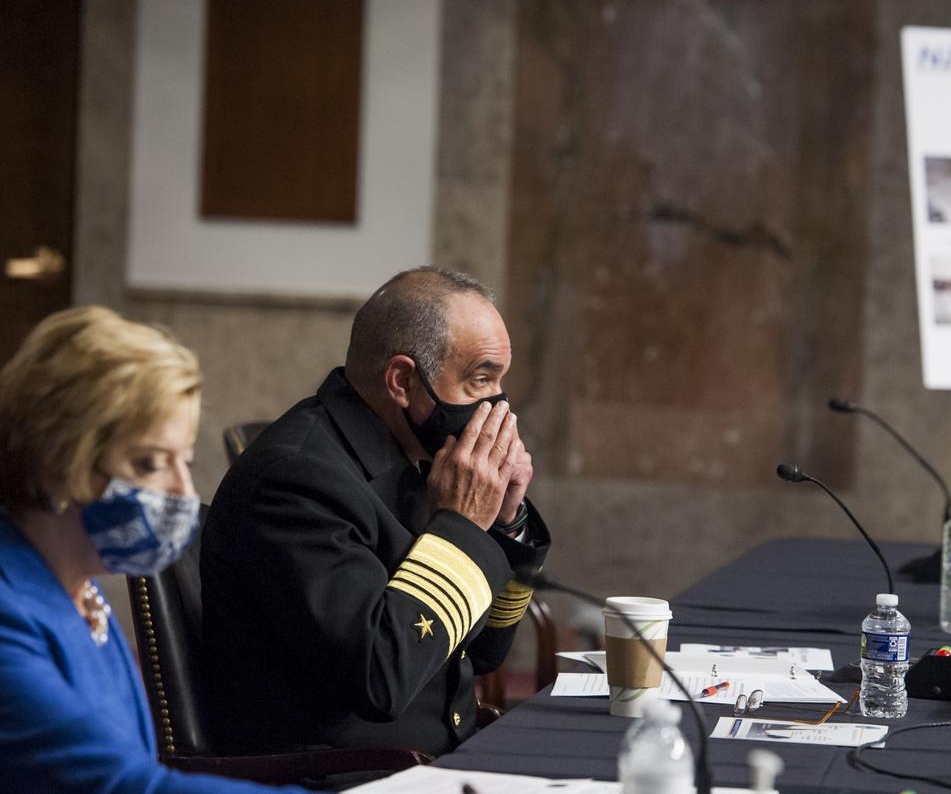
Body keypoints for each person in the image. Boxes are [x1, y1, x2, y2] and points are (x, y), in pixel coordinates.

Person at [201, 267, 550, 757]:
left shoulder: (415, 459)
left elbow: (485, 652)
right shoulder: (298, 481)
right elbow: (380, 678)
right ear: (404, 380)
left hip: (440, 760)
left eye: (500, 381)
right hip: (345, 777)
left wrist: (505, 521)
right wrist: (465, 525)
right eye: (480, 380)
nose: (500, 410)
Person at [0, 306, 299, 792]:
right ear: (62, 457)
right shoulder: (10, 610)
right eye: (151, 463)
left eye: (185, 461)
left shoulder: (81, 591)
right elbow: (124, 785)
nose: (183, 491)